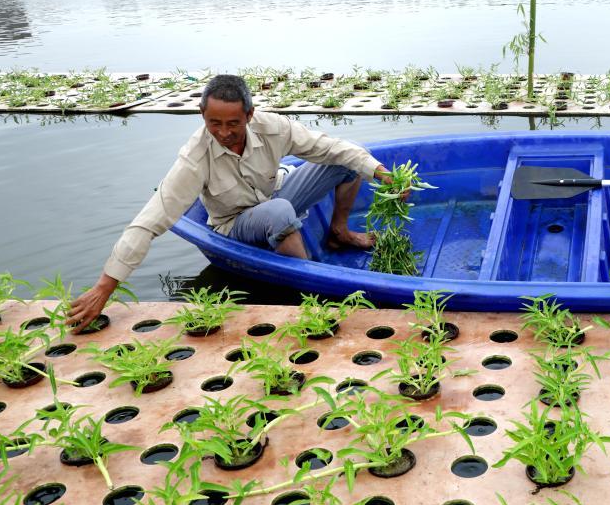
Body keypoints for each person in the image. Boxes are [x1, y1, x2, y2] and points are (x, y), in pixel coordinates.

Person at [68, 74, 398, 332]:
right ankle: (311, 297)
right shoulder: (195, 158)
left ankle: (338, 233)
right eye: (214, 123)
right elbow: (151, 219)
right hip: (235, 222)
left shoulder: (273, 127)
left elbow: (330, 147)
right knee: (281, 213)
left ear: (250, 115)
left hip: (274, 196)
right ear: (203, 116)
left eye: (233, 123)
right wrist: (104, 287)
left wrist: (380, 172)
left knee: (348, 156)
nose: (224, 132)